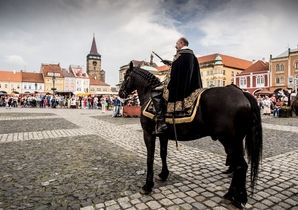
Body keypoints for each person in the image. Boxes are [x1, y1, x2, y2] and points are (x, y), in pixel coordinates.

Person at [151, 37, 203, 135]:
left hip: (179, 85)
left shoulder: (181, 54)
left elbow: (175, 72)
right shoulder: (191, 55)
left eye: (177, 44)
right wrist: (170, 63)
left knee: (155, 93)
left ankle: (161, 123)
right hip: (189, 85)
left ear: (182, 43)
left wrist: (172, 66)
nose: (176, 46)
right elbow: (181, 67)